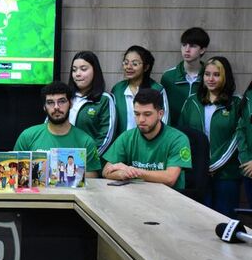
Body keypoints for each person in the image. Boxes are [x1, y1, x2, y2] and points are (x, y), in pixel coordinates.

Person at [179, 57, 241, 216]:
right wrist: (199, 166)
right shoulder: (192, 102)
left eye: (216, 74)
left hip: (226, 175)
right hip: (197, 173)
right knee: (199, 219)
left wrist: (213, 165)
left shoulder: (236, 104)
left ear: (225, 77)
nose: (211, 79)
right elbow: (182, 136)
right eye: (207, 74)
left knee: (225, 218)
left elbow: (238, 138)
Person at [103, 89, 192, 189]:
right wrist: (122, 174)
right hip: (136, 195)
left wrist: (133, 171)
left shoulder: (178, 139)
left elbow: (170, 178)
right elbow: (106, 171)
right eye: (137, 114)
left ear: (160, 114)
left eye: (147, 114)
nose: (141, 120)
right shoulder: (127, 137)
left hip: (169, 198)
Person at [13, 81, 101, 178]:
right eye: (50, 102)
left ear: (70, 104)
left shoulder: (86, 142)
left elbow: (93, 175)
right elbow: (14, 170)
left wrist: (67, 175)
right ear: (44, 107)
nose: (56, 107)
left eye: (62, 101)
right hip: (37, 192)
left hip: (71, 192)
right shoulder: (27, 136)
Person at [111, 45, 169, 135]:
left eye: (135, 64)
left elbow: (165, 120)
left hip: (151, 143)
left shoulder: (157, 89)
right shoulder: (117, 89)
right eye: (126, 63)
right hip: (123, 143)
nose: (129, 67)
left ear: (146, 67)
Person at [67, 51, 116, 155]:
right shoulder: (65, 97)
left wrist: (88, 160)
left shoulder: (104, 99)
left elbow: (106, 137)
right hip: (60, 159)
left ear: (95, 71)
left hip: (89, 162)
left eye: (83, 69)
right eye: (74, 70)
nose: (78, 74)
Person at [161, 27, 209, 125]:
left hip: (201, 133)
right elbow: (162, 108)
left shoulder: (209, 77)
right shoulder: (168, 77)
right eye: (184, 45)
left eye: (192, 46)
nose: (187, 50)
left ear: (202, 50)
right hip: (174, 132)